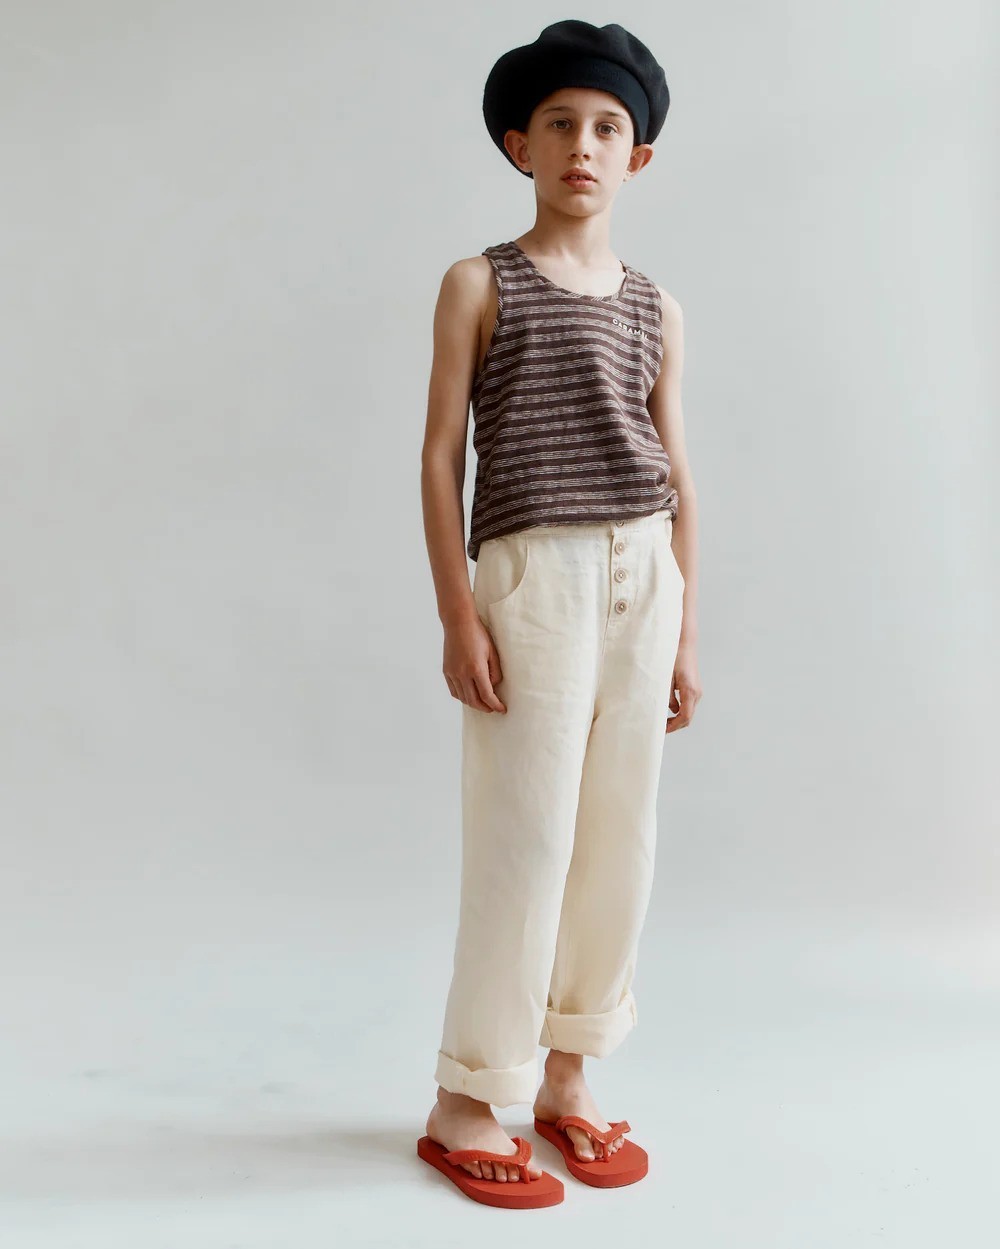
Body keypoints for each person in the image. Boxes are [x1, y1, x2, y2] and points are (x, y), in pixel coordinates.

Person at [416, 19, 702, 1209]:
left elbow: (678, 470)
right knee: (525, 836)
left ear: (637, 157)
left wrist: (684, 626)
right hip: (533, 577)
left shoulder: (656, 306)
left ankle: (568, 1073)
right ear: (517, 145)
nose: (583, 146)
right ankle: (469, 1094)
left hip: (644, 576)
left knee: (616, 837)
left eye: (607, 129)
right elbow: (441, 456)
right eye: (559, 125)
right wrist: (457, 612)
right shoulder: (479, 282)